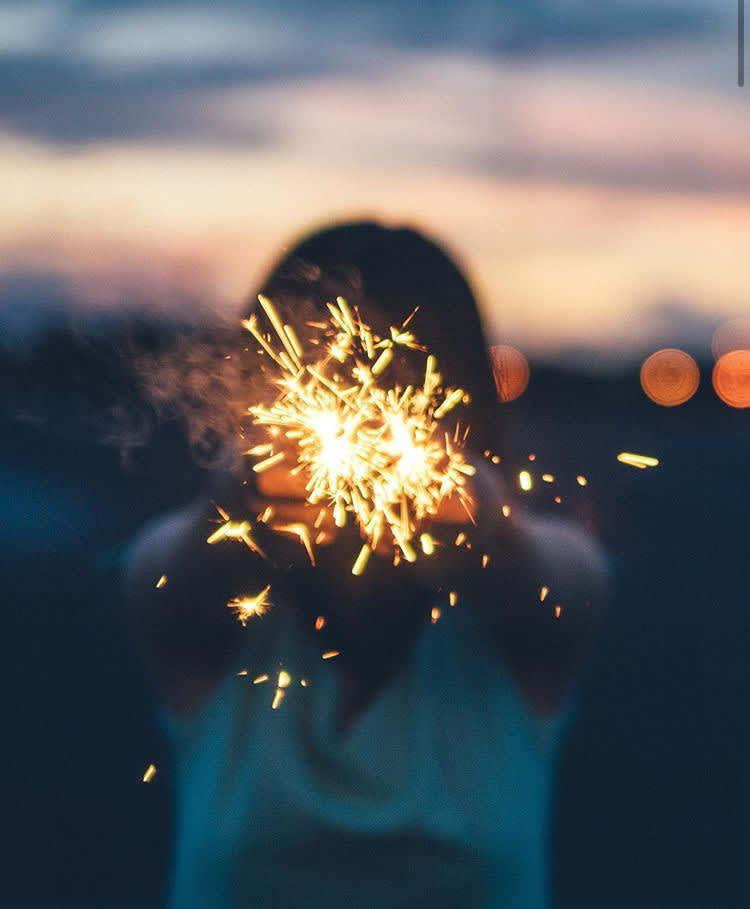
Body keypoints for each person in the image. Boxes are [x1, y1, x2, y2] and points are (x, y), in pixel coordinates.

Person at [124, 221, 608, 909]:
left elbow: (557, 577)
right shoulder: (208, 602)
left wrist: (472, 510)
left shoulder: (524, 612)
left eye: (400, 379)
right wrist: (246, 488)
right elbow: (172, 572)